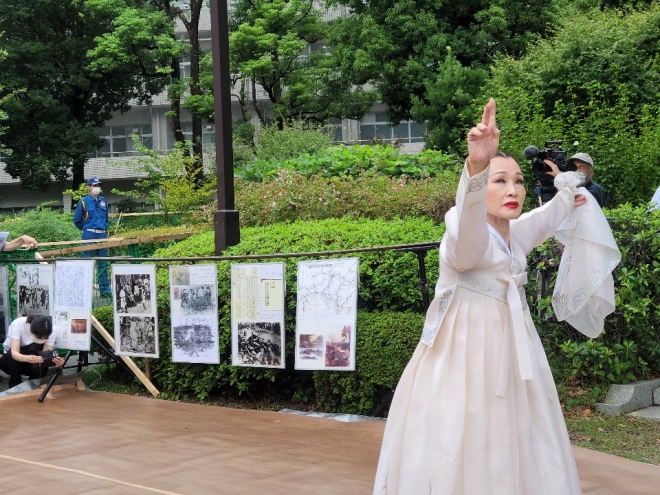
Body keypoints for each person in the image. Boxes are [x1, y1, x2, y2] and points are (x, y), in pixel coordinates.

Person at [373, 99, 619, 494]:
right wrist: (475, 167)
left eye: (518, 181)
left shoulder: (513, 233)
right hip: (463, 356)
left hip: (515, 354)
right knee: (464, 434)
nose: (513, 189)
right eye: (499, 180)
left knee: (522, 431)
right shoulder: (462, 229)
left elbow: (544, 218)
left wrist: (567, 192)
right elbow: (467, 227)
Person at [0, 315, 64, 388]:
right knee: (13, 354)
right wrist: (26, 358)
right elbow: (14, 353)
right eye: (39, 337)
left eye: (45, 338)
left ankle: (32, 386)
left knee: (42, 365)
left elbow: (46, 353)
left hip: (31, 360)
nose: (41, 340)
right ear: (30, 329)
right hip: (10, 362)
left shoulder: (52, 329)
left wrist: (55, 361)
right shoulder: (18, 324)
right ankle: (15, 384)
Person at [73, 177, 111, 296]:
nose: (97, 187)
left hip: (102, 234)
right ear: (89, 187)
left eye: (98, 185)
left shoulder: (103, 201)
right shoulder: (83, 201)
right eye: (94, 185)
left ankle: (105, 291)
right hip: (89, 233)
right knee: (86, 262)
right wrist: (86, 229)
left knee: (103, 263)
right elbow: (77, 220)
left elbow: (106, 218)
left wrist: (103, 228)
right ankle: (83, 290)